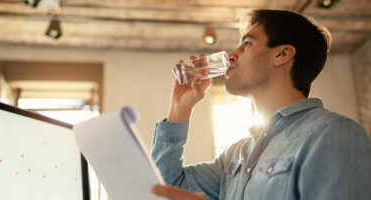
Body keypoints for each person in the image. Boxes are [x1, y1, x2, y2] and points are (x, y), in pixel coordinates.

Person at [150, 9, 371, 200]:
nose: (231, 56)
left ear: (282, 54)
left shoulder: (333, 134)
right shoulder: (236, 155)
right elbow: (162, 191)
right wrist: (180, 108)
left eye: (246, 43)